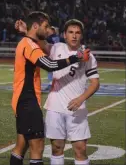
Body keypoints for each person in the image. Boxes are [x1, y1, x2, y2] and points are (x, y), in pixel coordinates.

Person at [10, 11, 90, 165]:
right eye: (45, 26)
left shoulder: (27, 42)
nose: (48, 30)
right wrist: (76, 57)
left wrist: (25, 31)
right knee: (37, 145)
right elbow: (50, 65)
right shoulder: (30, 45)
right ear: (35, 26)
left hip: (22, 99)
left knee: (22, 144)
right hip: (27, 100)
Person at [43, 19, 100, 165]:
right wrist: (25, 31)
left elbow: (95, 84)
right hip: (55, 107)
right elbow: (39, 44)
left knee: (80, 149)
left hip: (77, 109)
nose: (74, 36)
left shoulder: (88, 56)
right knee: (56, 148)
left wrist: (81, 99)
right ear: (64, 35)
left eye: (77, 33)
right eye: (71, 32)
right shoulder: (56, 48)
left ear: (81, 36)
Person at [44, 26, 61, 91]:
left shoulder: (49, 38)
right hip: (58, 55)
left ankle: (51, 85)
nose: (48, 30)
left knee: (50, 70)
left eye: (50, 30)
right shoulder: (57, 37)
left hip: (52, 55)